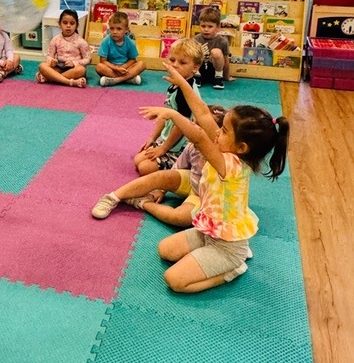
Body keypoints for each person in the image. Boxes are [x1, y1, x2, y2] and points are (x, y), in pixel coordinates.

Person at [139, 62, 289, 293]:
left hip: (227, 247)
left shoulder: (231, 165)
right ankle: (216, 257)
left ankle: (233, 268)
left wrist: (172, 114)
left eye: (224, 131)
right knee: (165, 250)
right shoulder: (228, 149)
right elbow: (201, 112)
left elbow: (199, 136)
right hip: (209, 230)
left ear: (241, 147)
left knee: (175, 281)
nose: (217, 132)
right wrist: (183, 83)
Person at [91, 105, 225, 221]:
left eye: (198, 127)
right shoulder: (191, 147)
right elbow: (178, 167)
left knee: (181, 217)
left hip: (203, 195)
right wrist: (162, 190)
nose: (192, 129)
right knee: (159, 176)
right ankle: (112, 197)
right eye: (192, 124)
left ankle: (142, 203)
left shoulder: (222, 156)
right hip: (192, 180)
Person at [134, 38, 203, 176]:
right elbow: (164, 116)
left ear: (195, 68)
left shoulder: (186, 91)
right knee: (137, 160)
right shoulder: (175, 84)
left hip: (180, 147)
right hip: (168, 140)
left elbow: (182, 125)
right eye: (172, 60)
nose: (175, 65)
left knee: (144, 168)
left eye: (182, 62)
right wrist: (153, 138)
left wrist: (163, 149)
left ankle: (184, 165)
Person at [36, 9, 91, 88]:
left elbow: (88, 59)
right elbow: (49, 55)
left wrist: (74, 63)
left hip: (73, 69)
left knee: (81, 70)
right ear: (59, 24)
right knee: (42, 66)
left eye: (72, 23)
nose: (68, 26)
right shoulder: (55, 39)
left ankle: (51, 78)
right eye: (65, 23)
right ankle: (70, 82)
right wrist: (52, 61)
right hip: (59, 66)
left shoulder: (81, 41)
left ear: (77, 25)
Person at [96, 11, 145, 86]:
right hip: (111, 68)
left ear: (126, 30)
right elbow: (103, 61)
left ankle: (116, 80)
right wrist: (116, 68)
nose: (115, 32)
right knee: (99, 67)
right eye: (112, 28)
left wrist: (123, 67)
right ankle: (129, 79)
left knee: (142, 64)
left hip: (126, 68)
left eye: (119, 29)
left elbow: (132, 60)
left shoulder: (130, 42)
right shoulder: (106, 41)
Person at [194, 6, 230, 89]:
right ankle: (197, 77)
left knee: (216, 52)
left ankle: (218, 77)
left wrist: (226, 76)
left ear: (218, 27)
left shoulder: (222, 41)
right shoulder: (196, 39)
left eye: (210, 27)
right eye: (203, 26)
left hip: (214, 70)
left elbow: (226, 60)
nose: (206, 30)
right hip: (199, 70)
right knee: (192, 50)